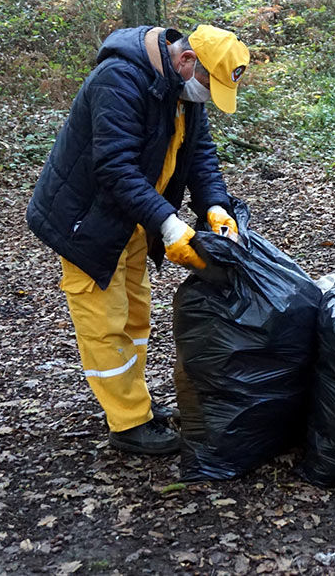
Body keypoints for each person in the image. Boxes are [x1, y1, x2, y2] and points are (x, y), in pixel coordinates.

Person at [26, 24, 249, 454]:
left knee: (135, 315)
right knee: (104, 320)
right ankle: (128, 423)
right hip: (87, 221)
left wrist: (214, 206)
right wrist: (168, 223)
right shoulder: (121, 80)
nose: (207, 97)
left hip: (131, 219)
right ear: (186, 62)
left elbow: (199, 154)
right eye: (209, 85)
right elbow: (114, 167)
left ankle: (137, 404)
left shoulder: (180, 88)